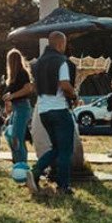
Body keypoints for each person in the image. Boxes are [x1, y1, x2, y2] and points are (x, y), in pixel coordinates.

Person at [25, 31, 77, 195]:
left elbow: (34, 86)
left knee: (56, 147)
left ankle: (35, 172)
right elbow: (64, 84)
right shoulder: (61, 61)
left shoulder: (38, 63)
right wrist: (74, 95)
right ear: (60, 44)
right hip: (59, 109)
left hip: (44, 110)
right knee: (65, 150)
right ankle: (63, 186)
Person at [1, 48, 35, 168]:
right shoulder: (12, 78)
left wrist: (12, 96)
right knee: (11, 135)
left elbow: (28, 88)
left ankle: (22, 165)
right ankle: (19, 162)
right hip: (16, 108)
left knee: (16, 138)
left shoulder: (22, 73)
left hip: (22, 107)